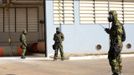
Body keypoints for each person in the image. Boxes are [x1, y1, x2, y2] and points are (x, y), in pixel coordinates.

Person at [105, 10, 124, 75]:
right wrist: (109, 31)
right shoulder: (114, 23)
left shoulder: (117, 24)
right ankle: (119, 72)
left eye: (110, 16)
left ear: (114, 16)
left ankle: (116, 72)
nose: (109, 17)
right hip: (117, 44)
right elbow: (114, 32)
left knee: (111, 57)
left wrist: (111, 32)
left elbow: (119, 32)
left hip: (116, 44)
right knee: (117, 58)